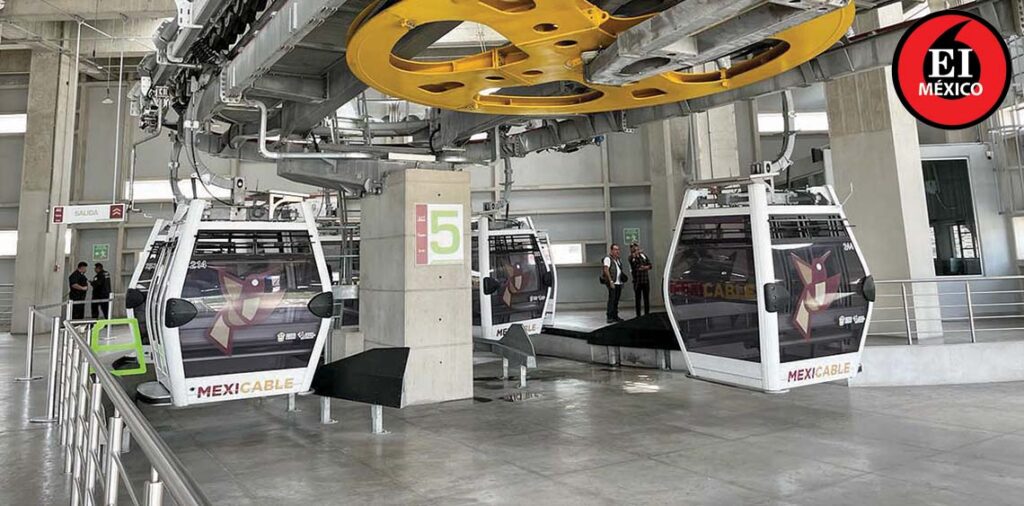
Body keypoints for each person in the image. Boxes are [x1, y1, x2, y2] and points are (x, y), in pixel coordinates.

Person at [602, 244, 627, 323]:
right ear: (611, 250)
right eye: (615, 249)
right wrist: (611, 281)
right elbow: (606, 270)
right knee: (612, 300)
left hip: (619, 282)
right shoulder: (608, 259)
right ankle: (609, 316)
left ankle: (615, 316)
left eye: (618, 249)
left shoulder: (618, 260)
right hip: (612, 282)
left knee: (616, 300)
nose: (617, 251)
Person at [629, 243, 653, 318]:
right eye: (634, 249)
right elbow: (636, 267)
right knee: (638, 299)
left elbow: (650, 265)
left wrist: (645, 267)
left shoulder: (643, 256)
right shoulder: (631, 257)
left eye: (637, 249)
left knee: (646, 298)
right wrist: (644, 267)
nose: (637, 250)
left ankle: (647, 314)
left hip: (645, 280)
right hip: (637, 281)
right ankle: (638, 315)